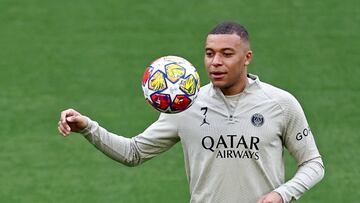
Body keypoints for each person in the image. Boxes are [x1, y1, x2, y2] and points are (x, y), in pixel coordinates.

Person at [58, 21, 324, 203]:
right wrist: (88, 128)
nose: (215, 62)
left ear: (247, 57)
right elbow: (134, 152)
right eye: (209, 54)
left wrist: (282, 194)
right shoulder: (186, 104)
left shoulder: (280, 103)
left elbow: (313, 163)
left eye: (226, 54)